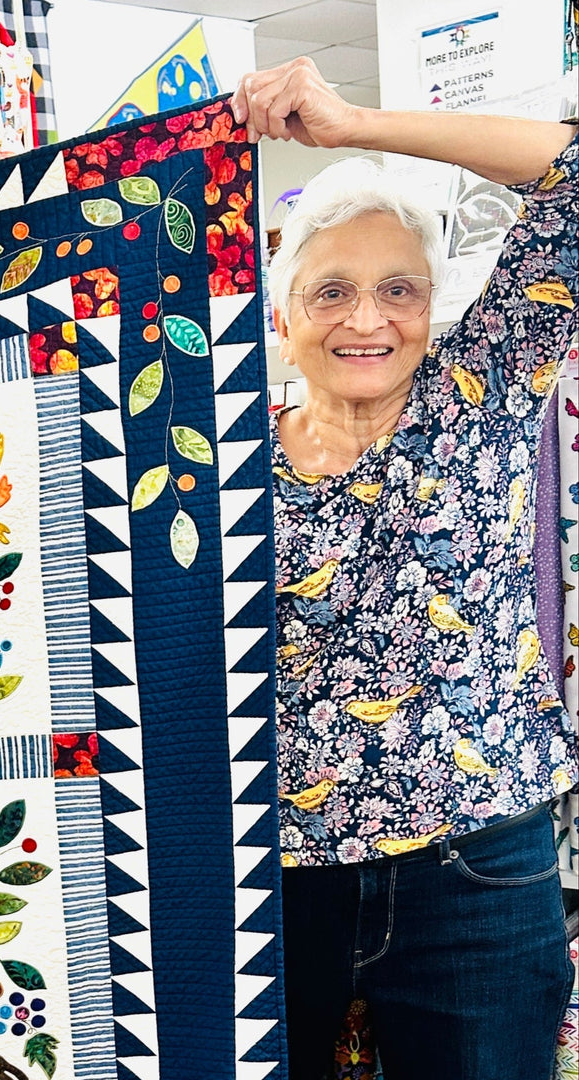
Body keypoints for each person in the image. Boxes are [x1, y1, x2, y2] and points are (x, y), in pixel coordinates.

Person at [232, 58, 579, 1079]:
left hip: (476, 873)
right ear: (282, 316)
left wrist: (352, 125)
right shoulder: (217, 463)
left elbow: (571, 178)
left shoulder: (485, 390)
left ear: (433, 307)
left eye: (398, 290)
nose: (367, 320)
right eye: (331, 292)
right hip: (268, 881)